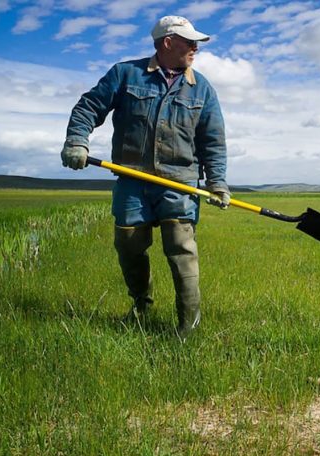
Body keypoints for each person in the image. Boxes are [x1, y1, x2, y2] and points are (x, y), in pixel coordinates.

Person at [60, 15, 230, 339]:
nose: (195, 47)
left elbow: (213, 141)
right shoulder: (126, 74)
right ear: (168, 43)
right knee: (128, 245)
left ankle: (188, 325)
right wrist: (77, 141)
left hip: (179, 185)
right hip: (132, 179)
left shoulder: (202, 88)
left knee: (182, 251)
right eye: (189, 41)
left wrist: (217, 182)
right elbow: (88, 107)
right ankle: (141, 306)